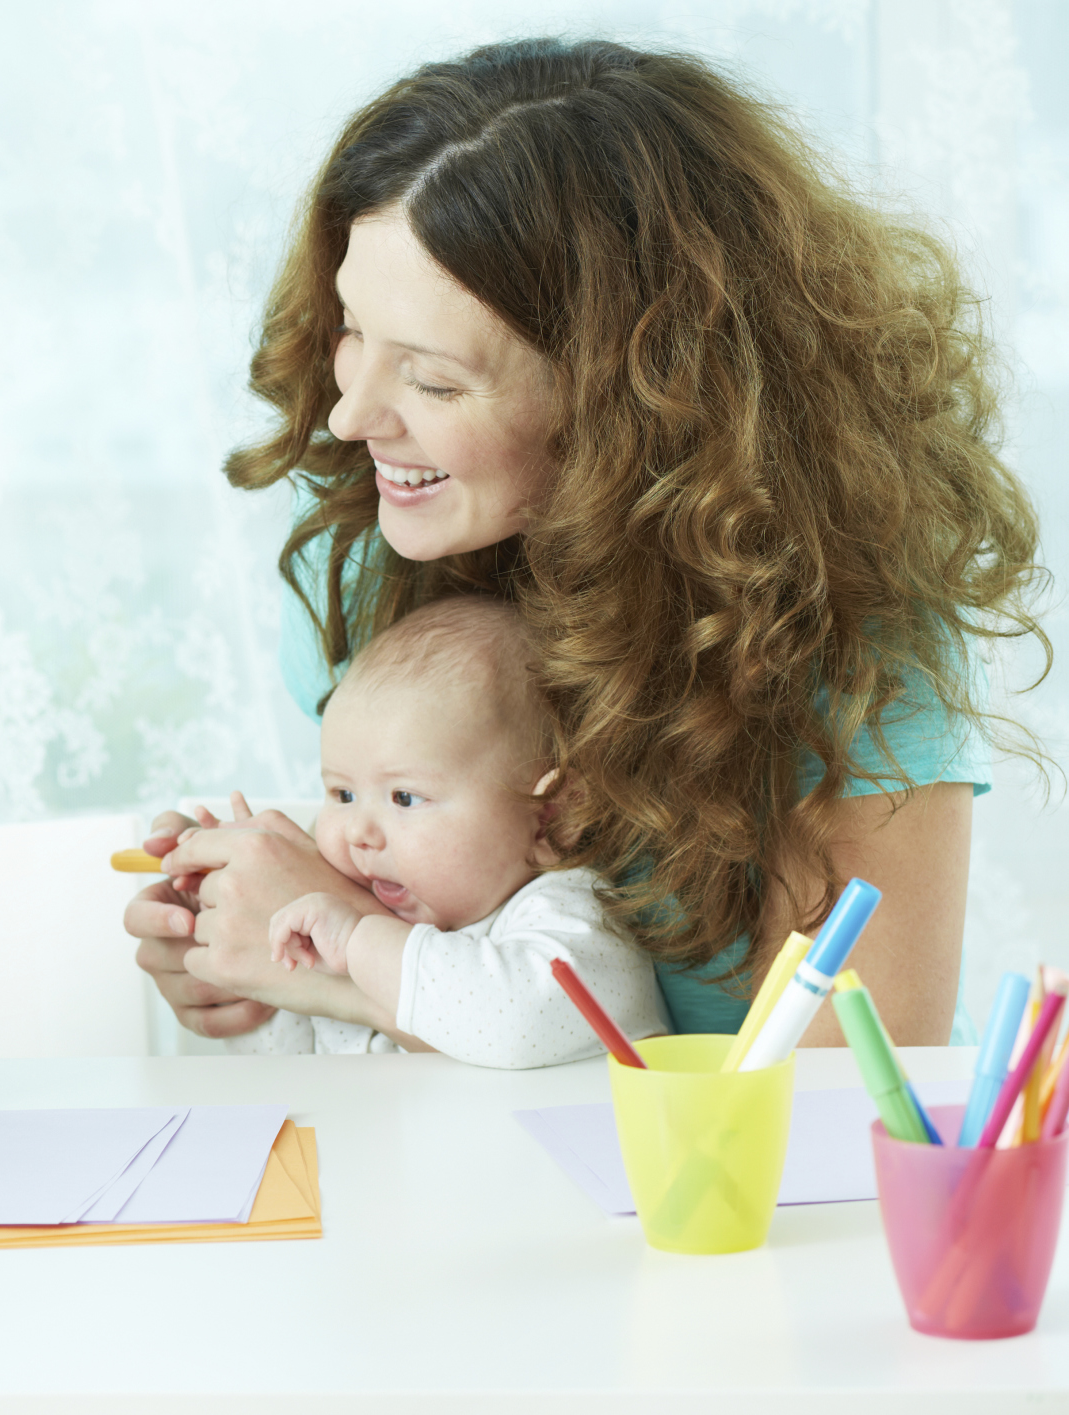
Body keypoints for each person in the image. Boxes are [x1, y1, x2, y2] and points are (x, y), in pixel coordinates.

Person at [128, 37, 1043, 1051]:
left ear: (629, 396)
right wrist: (256, 952)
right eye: (351, 329)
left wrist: (346, 963)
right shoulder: (361, 567)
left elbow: (839, 1073)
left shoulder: (842, 628)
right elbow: (435, 915)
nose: (350, 416)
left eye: (433, 379)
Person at [206, 594, 669, 1064]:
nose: (358, 832)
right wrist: (249, 960)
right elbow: (290, 1065)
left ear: (549, 819)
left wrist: (359, 940)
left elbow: (514, 1026)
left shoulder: (574, 919)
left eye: (404, 798)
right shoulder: (352, 914)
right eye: (343, 795)